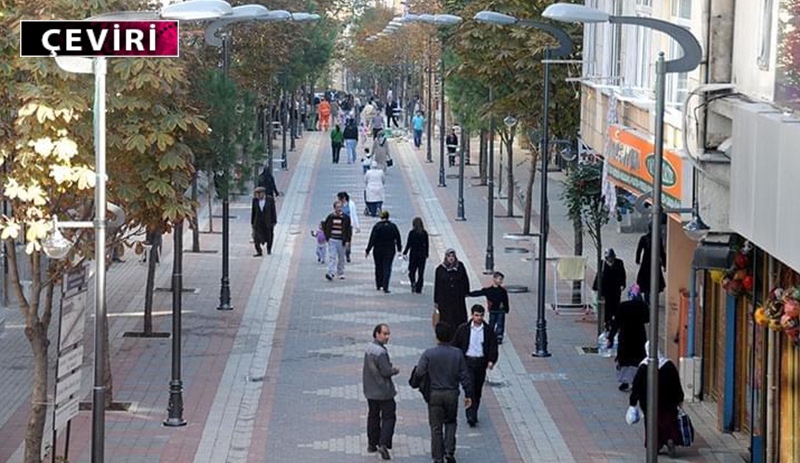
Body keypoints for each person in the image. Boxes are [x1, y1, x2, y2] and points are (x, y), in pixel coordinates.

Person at [412, 322, 472, 463]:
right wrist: (468, 394)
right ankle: (449, 451)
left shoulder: (429, 353)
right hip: (451, 393)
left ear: (437, 336)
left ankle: (438, 457)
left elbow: (420, 371)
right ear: (451, 336)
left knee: (436, 427)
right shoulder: (457, 354)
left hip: (435, 394)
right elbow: (465, 376)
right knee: (451, 422)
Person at [629, 342, 685, 457]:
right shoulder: (669, 365)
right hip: (668, 403)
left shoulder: (644, 367)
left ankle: (655, 445)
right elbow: (676, 383)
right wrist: (680, 398)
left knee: (652, 424)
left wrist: (633, 402)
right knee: (669, 422)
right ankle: (670, 439)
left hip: (649, 403)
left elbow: (636, 386)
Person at [451, 304, 498, 427]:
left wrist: (491, 360)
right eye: (476, 315)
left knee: (477, 390)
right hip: (467, 362)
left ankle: (474, 411)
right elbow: (456, 344)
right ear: (472, 315)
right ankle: (470, 414)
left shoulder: (487, 331)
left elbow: (493, 346)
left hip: (481, 362)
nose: (479, 318)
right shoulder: (463, 329)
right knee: (469, 388)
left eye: (481, 315)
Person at [363, 323, 399, 460]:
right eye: (385, 334)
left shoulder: (368, 349)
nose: (387, 337)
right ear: (377, 334)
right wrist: (394, 370)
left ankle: (372, 444)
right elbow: (385, 371)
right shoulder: (381, 352)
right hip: (384, 391)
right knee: (389, 417)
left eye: (388, 334)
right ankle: (383, 443)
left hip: (370, 391)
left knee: (373, 416)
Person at [611, 289, 649, 391]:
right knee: (638, 360)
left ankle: (625, 382)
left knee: (624, 360)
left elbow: (616, 323)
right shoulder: (642, 306)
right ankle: (639, 381)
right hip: (639, 336)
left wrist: (610, 337)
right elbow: (647, 319)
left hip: (625, 336)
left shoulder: (623, 306)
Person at [468, 271, 510, 343]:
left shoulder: (503, 291)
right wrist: (469, 294)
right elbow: (479, 292)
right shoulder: (489, 290)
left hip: (500, 310)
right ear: (494, 279)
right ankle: (490, 335)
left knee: (500, 323)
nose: (500, 281)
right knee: (492, 323)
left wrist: (506, 309)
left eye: (501, 279)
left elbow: (506, 300)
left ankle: (499, 336)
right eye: (499, 279)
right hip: (492, 310)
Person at [366, 210, 402, 293]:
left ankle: (379, 284)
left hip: (378, 249)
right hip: (390, 249)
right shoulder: (393, 226)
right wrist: (399, 248)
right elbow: (398, 238)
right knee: (387, 267)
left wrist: (368, 249)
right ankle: (386, 286)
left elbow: (372, 239)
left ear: (381, 217)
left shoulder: (377, 226)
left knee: (378, 266)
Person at [434, 249, 471, 330]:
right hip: (445, 299)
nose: (451, 258)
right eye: (449, 256)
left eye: (452, 256)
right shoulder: (440, 269)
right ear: (446, 257)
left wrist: (466, 291)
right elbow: (437, 286)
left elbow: (465, 279)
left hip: (458, 298)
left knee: (459, 317)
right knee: (447, 318)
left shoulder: (460, 266)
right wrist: (436, 301)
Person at [592, 248, 627, 335]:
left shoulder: (619, 263)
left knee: (615, 306)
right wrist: (595, 288)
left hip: (615, 289)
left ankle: (614, 323)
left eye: (612, 257)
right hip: (605, 289)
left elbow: (623, 274)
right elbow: (598, 275)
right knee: (606, 308)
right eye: (609, 258)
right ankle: (607, 323)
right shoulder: (602, 263)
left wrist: (623, 284)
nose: (610, 259)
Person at [635, 225, 666, 305]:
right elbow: (662, 252)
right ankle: (655, 300)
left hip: (646, 262)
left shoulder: (644, 238)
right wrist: (664, 263)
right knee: (656, 281)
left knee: (645, 283)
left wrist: (637, 260)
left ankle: (647, 300)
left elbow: (639, 250)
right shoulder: (658, 239)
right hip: (655, 261)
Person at [322, 200, 352, 281]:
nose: (339, 209)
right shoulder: (331, 217)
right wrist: (327, 236)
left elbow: (348, 230)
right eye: (337, 207)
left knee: (341, 257)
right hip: (332, 239)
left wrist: (347, 241)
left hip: (341, 240)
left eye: (340, 207)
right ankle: (331, 273)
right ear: (334, 208)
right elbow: (325, 226)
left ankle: (341, 272)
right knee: (332, 257)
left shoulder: (345, 218)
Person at [403, 217, 429, 294]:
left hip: (413, 254)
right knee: (421, 273)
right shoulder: (424, 233)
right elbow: (427, 244)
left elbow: (409, 244)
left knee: (411, 271)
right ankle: (419, 288)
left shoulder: (412, 233)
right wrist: (426, 253)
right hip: (422, 254)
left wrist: (405, 252)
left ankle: (413, 282)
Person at [251, 186, 277, 256]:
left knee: (269, 236)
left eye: (259, 194)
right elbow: (253, 212)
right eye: (257, 194)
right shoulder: (255, 201)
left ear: (263, 193)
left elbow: (273, 210)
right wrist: (252, 223)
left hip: (267, 222)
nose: (258, 196)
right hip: (258, 222)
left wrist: (274, 221)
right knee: (256, 238)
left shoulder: (270, 200)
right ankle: (259, 251)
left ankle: (269, 249)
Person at [337, 191, 360, 263]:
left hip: (349, 225)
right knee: (341, 240)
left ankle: (347, 253)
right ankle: (341, 253)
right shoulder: (338, 204)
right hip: (340, 225)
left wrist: (357, 226)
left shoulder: (351, 204)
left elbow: (354, 215)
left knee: (348, 240)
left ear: (344, 198)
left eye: (340, 199)